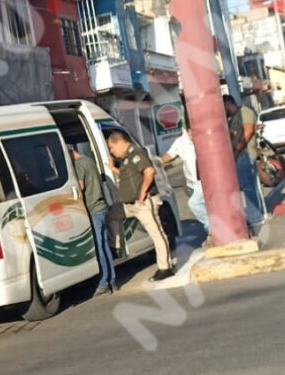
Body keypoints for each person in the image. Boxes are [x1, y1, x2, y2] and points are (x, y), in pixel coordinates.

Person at [106, 131, 175, 282]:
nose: (112, 151)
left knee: (157, 234)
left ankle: (165, 267)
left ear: (120, 143)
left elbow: (149, 172)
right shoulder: (126, 159)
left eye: (112, 148)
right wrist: (113, 169)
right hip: (130, 204)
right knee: (112, 214)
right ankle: (115, 247)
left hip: (143, 203)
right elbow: (130, 177)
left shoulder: (137, 153)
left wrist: (143, 193)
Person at [70, 147, 115, 295]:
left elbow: (81, 186)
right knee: (105, 245)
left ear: (70, 152)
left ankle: (103, 282)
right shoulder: (90, 160)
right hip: (102, 207)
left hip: (93, 209)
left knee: (99, 246)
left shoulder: (79, 164)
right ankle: (112, 280)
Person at [223, 95, 265, 230]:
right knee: (246, 187)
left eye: (224, 107)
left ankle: (255, 218)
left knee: (248, 187)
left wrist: (237, 149)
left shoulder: (244, 111)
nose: (224, 111)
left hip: (245, 154)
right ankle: (254, 215)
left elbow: (249, 131)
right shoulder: (233, 118)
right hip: (240, 155)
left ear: (228, 103)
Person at [161, 126, 210, 238]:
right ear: (188, 130)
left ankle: (212, 227)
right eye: (191, 132)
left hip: (203, 180)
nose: (194, 135)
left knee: (194, 204)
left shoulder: (202, 138)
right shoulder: (181, 142)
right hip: (191, 183)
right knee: (203, 208)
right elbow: (170, 154)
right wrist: (157, 161)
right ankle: (210, 231)